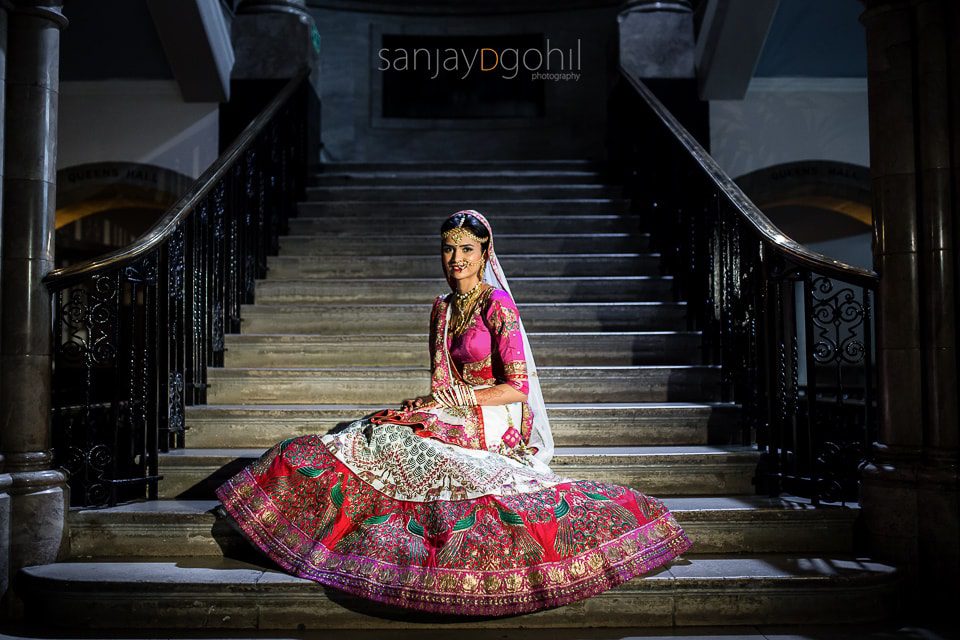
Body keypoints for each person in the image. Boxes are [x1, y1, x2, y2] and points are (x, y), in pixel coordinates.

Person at [215, 209, 692, 616]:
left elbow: (518, 389)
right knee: (375, 432)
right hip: (455, 408)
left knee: (404, 442)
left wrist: (457, 406)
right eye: (448, 249)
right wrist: (430, 407)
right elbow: (441, 378)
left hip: (495, 412)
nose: (456, 260)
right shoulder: (441, 308)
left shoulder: (499, 306)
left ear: (485, 253)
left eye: (466, 249)